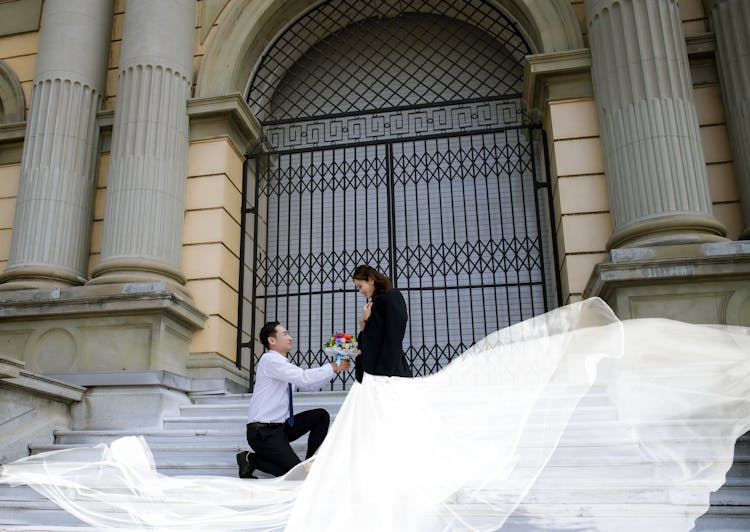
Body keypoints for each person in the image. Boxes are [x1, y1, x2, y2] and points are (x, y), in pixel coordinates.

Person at [236, 321, 350, 479]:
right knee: (294, 476)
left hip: (281, 428)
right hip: (263, 432)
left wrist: (334, 369)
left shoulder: (282, 365)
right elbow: (304, 378)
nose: (290, 338)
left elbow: (309, 386)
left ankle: (309, 462)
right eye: (284, 334)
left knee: (320, 415)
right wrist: (333, 367)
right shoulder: (270, 361)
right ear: (272, 340)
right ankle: (249, 459)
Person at [351, 264, 412, 383]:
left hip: (387, 373)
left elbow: (394, 335)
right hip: (377, 373)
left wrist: (384, 372)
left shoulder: (391, 297)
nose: (360, 291)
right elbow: (374, 336)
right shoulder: (377, 302)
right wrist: (364, 324)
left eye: (360, 286)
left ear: (371, 280)